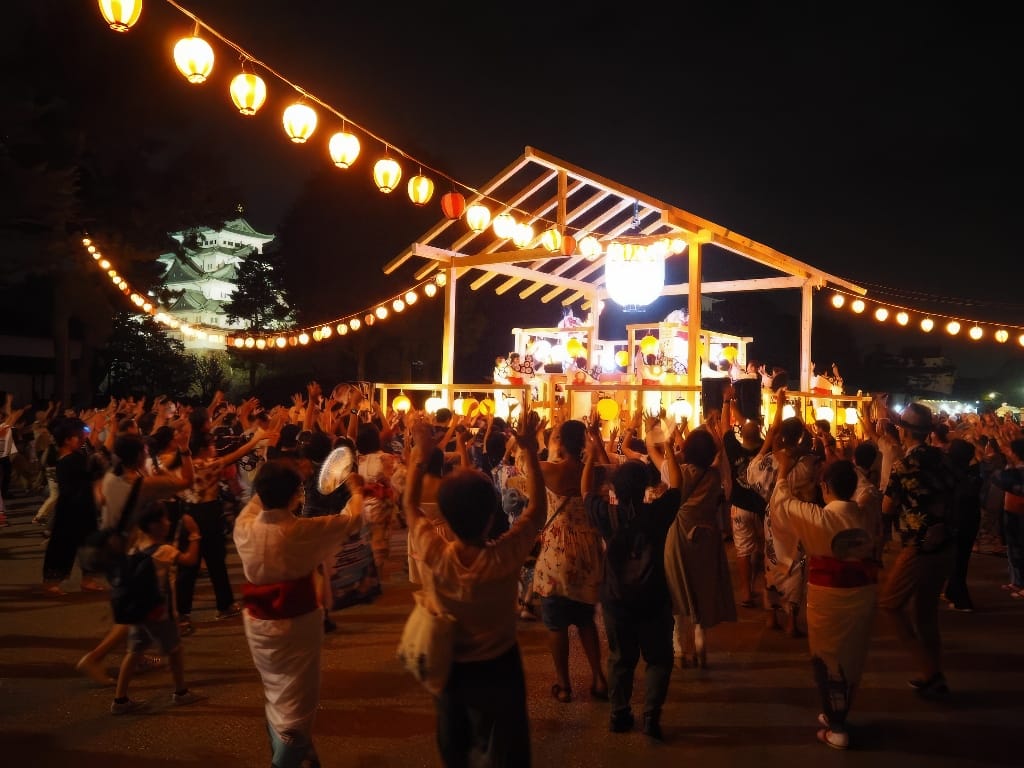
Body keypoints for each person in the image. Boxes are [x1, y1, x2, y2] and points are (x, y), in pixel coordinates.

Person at [403, 412, 547, 767]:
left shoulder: (436, 554)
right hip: (500, 665)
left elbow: (408, 506)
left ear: (447, 519)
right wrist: (529, 450)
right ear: (490, 517)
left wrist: (420, 456)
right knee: (508, 745)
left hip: (451, 664)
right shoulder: (505, 557)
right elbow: (537, 512)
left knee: (455, 744)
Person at [233, 459, 365, 768]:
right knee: (298, 706)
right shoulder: (300, 531)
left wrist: (276, 480)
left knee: (276, 690)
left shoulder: (244, 525)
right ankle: (288, 756)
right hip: (297, 623)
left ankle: (297, 752)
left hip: (257, 622)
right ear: (295, 495)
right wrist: (356, 490)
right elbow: (351, 519)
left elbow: (259, 498)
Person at [771, 457, 880, 750]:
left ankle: (838, 725)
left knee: (828, 659)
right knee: (852, 656)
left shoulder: (817, 517)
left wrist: (783, 470)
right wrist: (850, 466)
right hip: (863, 593)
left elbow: (781, 503)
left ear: (825, 486)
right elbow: (868, 486)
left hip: (828, 596)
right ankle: (838, 711)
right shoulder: (867, 507)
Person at [584, 422, 682, 740]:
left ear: (616, 488)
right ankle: (651, 715)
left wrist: (589, 457)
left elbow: (585, 491)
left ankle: (619, 714)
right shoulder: (656, 514)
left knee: (620, 659)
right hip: (653, 597)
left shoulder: (606, 515)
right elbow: (677, 487)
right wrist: (666, 447)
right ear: (644, 488)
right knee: (658, 659)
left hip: (616, 599)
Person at [76, 432, 196, 685]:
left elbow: (100, 497)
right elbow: (186, 481)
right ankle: (93, 658)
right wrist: (185, 450)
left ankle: (137, 658)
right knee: (135, 613)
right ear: (140, 455)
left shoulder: (110, 476)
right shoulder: (142, 485)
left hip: (111, 551)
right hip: (132, 557)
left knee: (133, 607)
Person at [878, 402, 955, 698]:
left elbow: (887, 506)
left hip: (918, 547)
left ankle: (931, 672)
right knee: (926, 614)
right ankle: (932, 673)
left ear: (905, 431)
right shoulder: (945, 459)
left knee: (890, 605)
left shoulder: (904, 465)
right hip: (946, 544)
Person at [532, 418, 608, 703]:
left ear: (560, 441)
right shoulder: (596, 472)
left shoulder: (549, 471)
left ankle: (564, 685)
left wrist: (546, 444)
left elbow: (529, 467)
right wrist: (596, 440)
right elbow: (607, 465)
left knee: (556, 622)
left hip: (557, 553)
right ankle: (598, 677)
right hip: (588, 549)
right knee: (585, 619)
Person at [110, 501, 204, 715]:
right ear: (154, 525)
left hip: (138, 611)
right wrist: (195, 535)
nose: (168, 522)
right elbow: (190, 560)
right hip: (160, 613)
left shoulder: (136, 547)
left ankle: (120, 699)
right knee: (175, 650)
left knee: (133, 652)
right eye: (163, 519)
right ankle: (181, 692)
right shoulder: (165, 551)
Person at [661, 424, 736, 668]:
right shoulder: (713, 475)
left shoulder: (681, 473)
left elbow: (663, 467)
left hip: (680, 535)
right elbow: (720, 459)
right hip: (707, 537)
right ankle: (701, 639)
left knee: (677, 588)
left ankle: (681, 649)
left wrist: (669, 449)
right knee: (702, 587)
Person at [41, 417, 106, 595]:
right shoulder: (68, 459)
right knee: (62, 545)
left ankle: (88, 579)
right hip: (70, 507)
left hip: (84, 506)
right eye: (78, 437)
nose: (82, 439)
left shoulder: (77, 456)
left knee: (89, 545)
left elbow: (93, 459)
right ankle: (51, 582)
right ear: (67, 440)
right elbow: (92, 468)